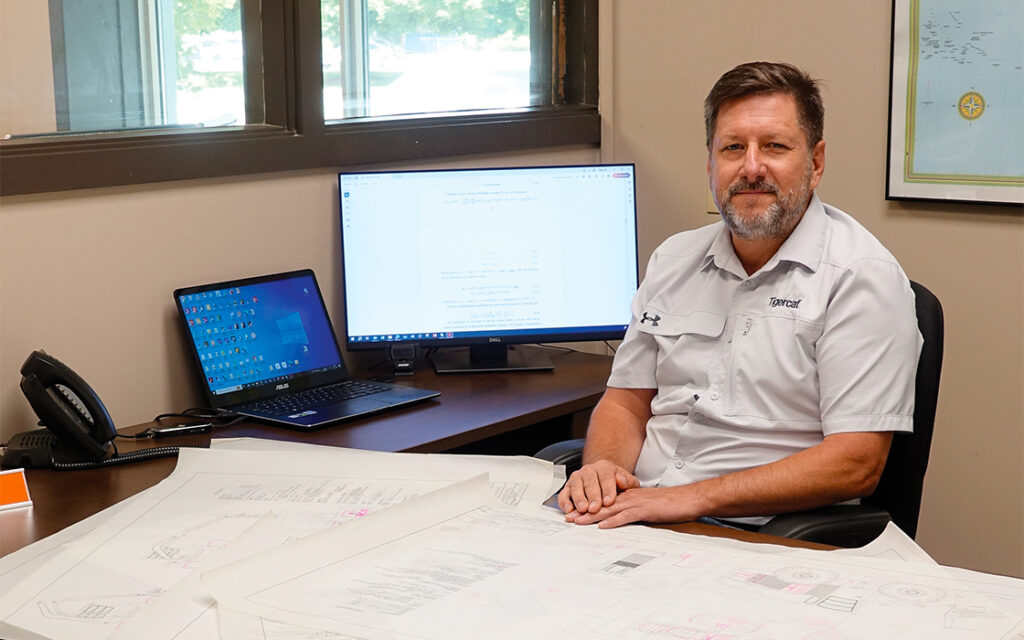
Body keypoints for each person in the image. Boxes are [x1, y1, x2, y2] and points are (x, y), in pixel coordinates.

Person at [558, 61, 922, 530]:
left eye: (774, 146)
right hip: (637, 518)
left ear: (815, 162)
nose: (752, 167)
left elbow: (856, 462)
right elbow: (626, 401)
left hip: (758, 536)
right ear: (711, 164)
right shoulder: (674, 259)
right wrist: (603, 468)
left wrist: (686, 499)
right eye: (733, 148)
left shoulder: (860, 278)